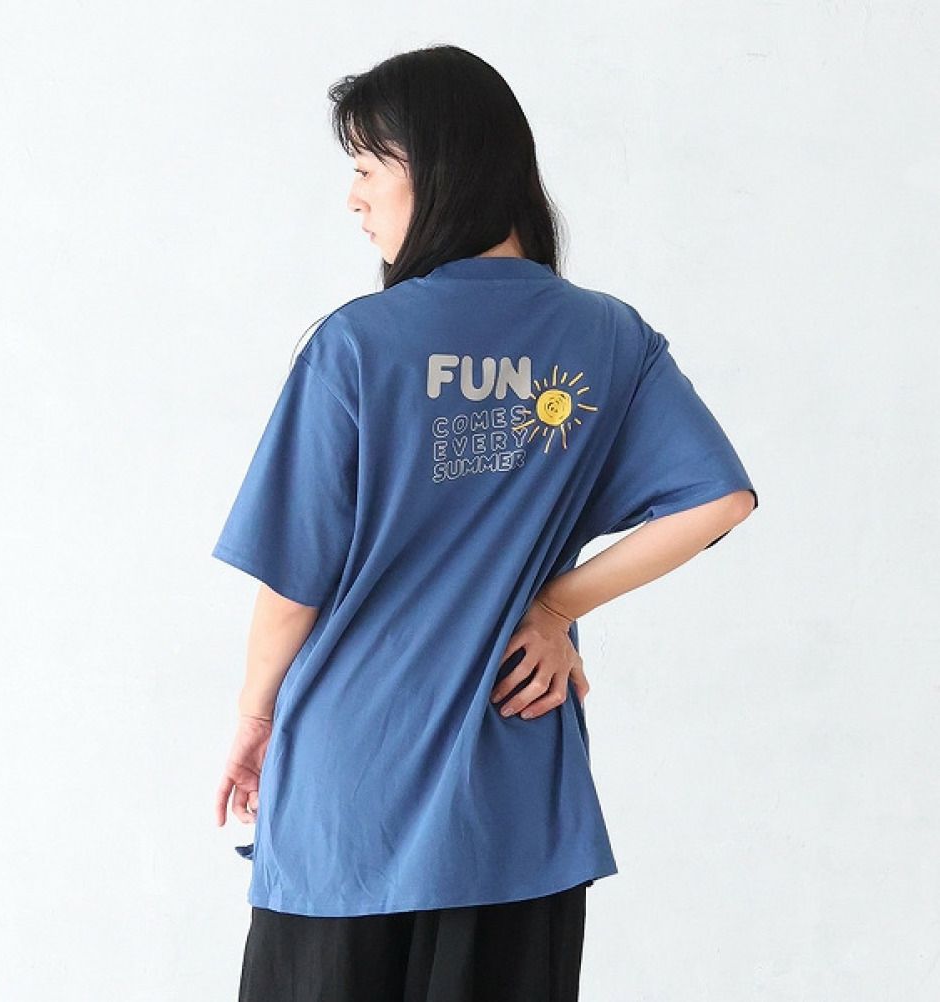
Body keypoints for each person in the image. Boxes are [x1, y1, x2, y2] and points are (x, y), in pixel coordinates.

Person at [212, 43, 759, 1002]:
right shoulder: (609, 336)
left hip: (351, 788)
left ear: (438, 166)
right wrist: (553, 607)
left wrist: (256, 716)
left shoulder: (357, 346)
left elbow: (294, 585)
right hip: (512, 791)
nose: (354, 198)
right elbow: (719, 499)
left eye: (367, 167)